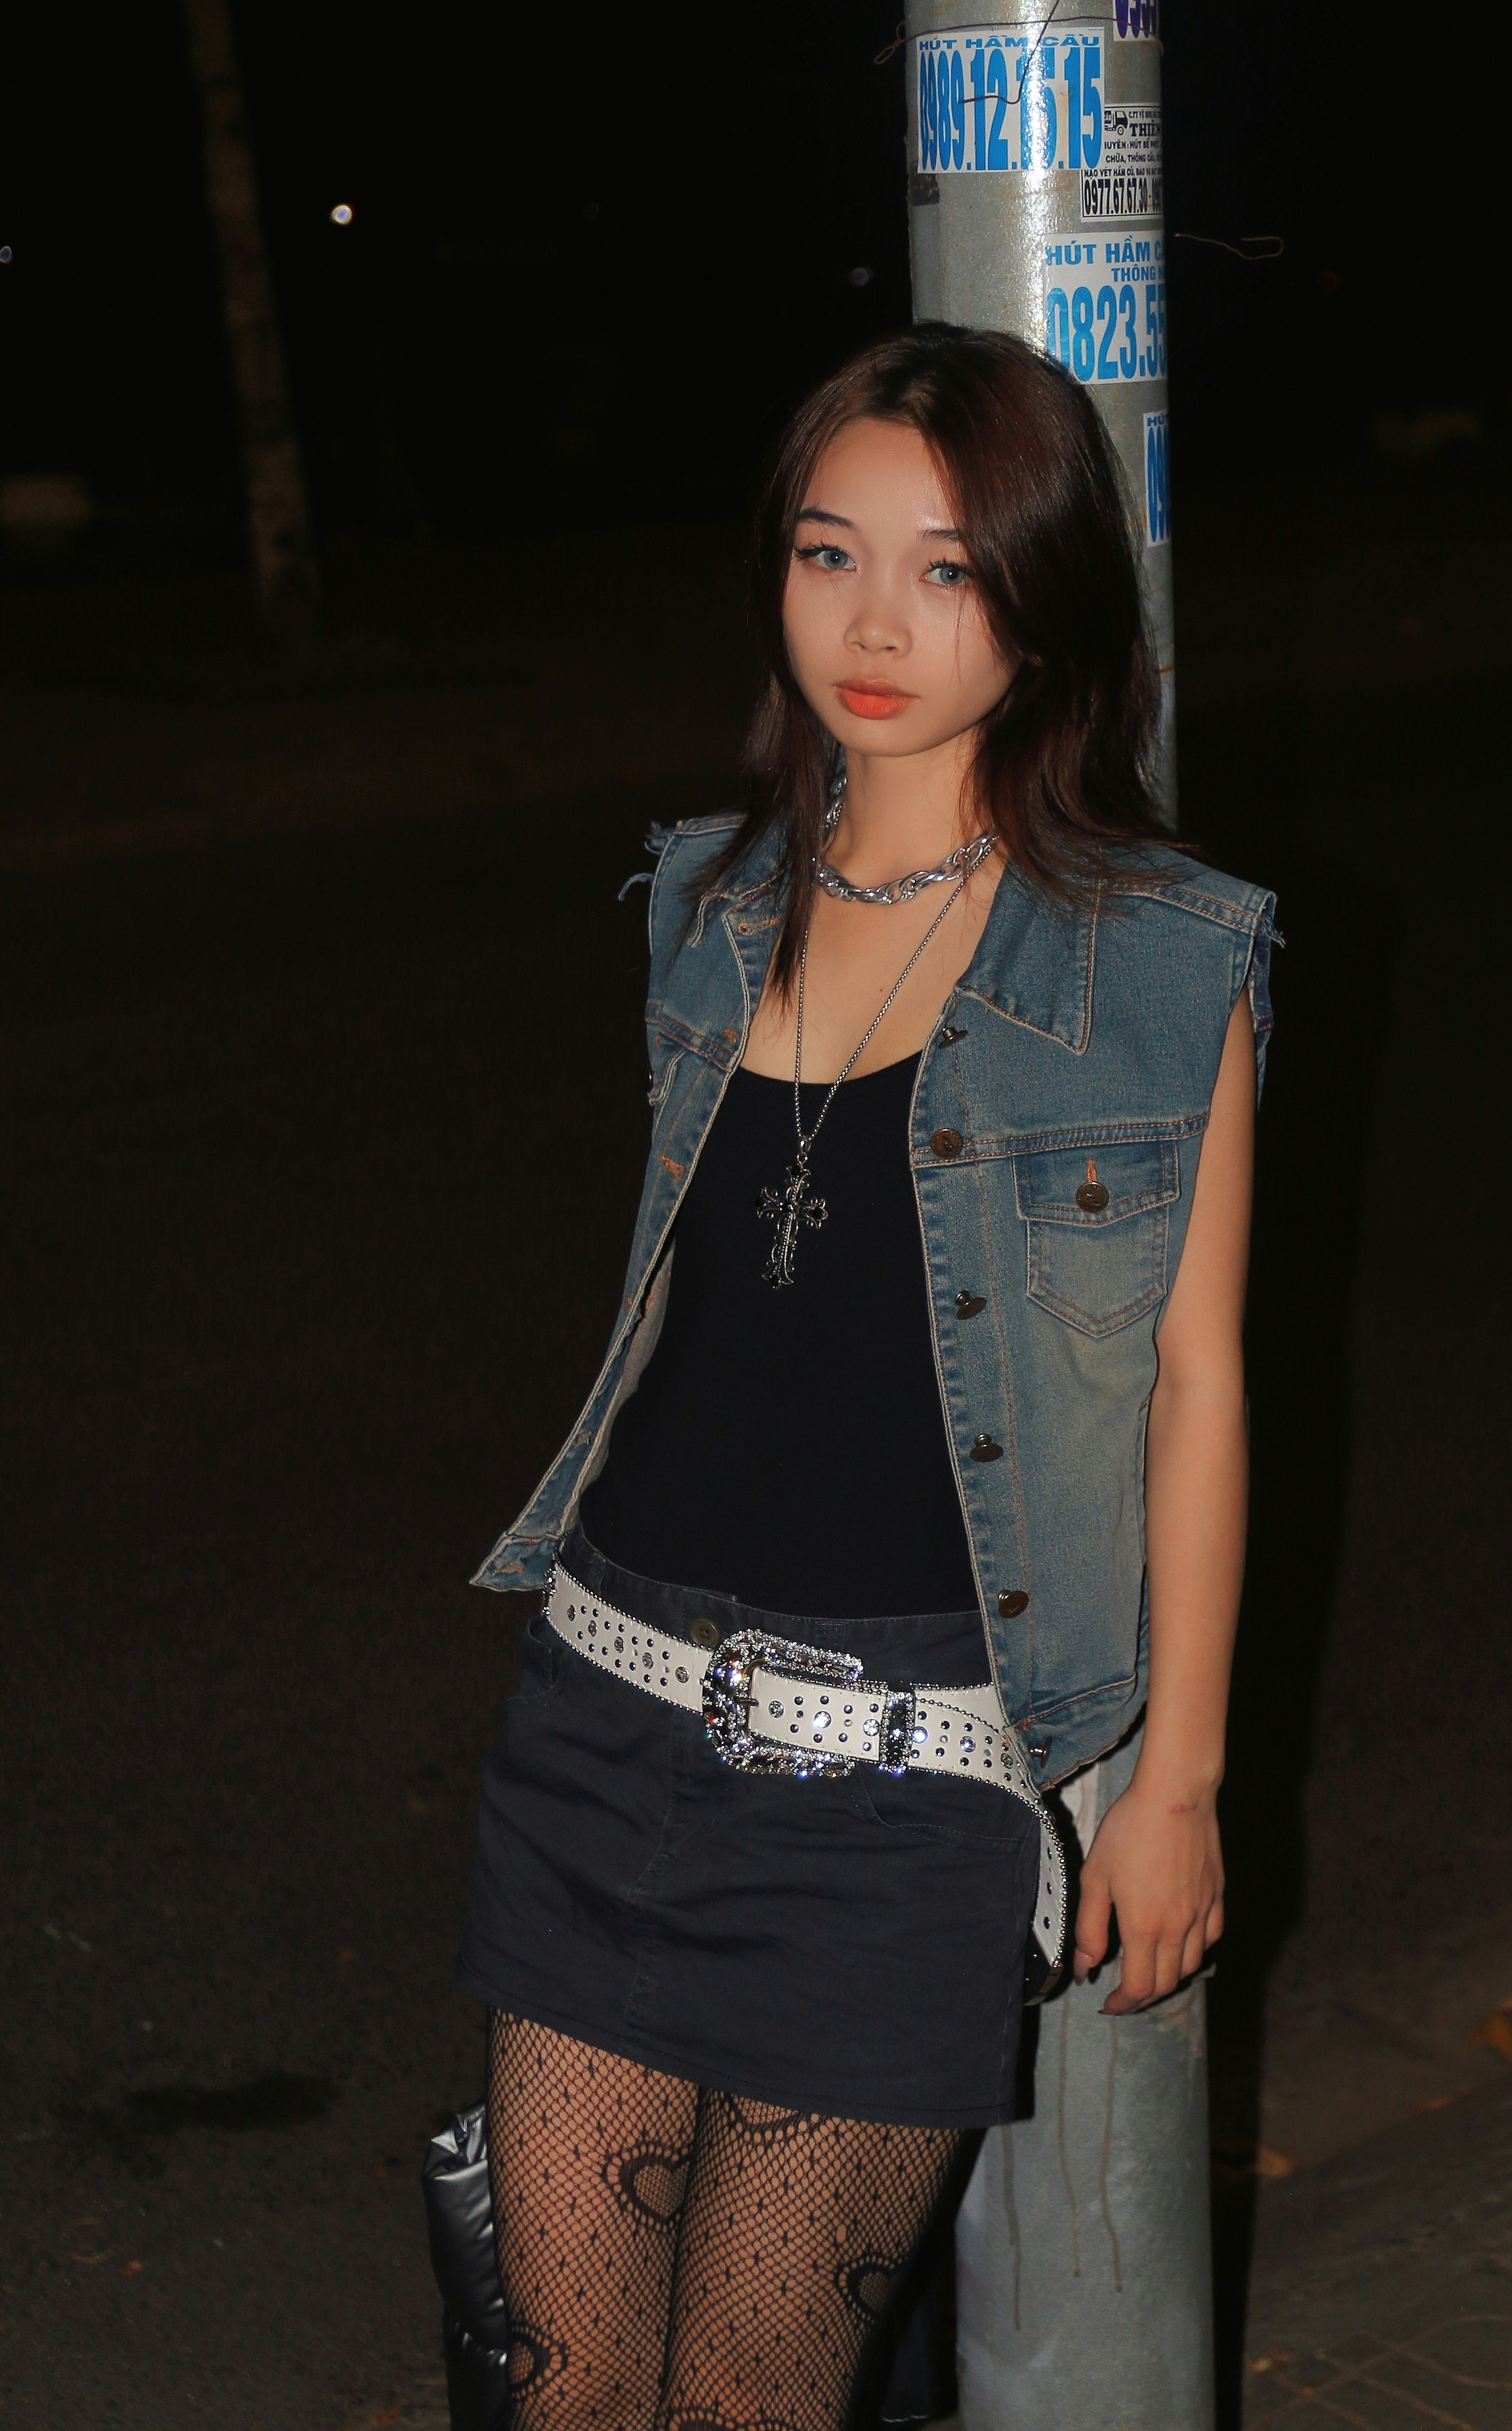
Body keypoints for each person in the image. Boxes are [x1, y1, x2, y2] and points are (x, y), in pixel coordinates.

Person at [454, 325, 1276, 2430]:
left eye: (948, 569)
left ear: (1044, 598)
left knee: (749, 2403)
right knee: (552, 2388)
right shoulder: (705, 907)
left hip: (907, 1798)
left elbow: (1194, 1376)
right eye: (832, 557)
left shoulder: (1161, 962)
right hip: (605, 1729)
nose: (878, 624)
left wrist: (1172, 1780)